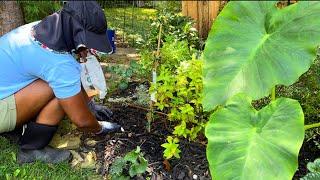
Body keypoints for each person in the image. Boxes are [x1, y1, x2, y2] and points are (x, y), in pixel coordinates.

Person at [0, 1, 121, 164]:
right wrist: (100, 128)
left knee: (65, 84)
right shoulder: (59, 63)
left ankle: (18, 125)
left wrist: (90, 106)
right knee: (62, 92)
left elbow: (67, 77)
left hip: (6, 92)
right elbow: (82, 121)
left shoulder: (44, 29)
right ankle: (31, 149)